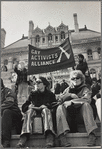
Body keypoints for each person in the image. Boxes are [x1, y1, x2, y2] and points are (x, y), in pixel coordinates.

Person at [56, 70, 98, 147]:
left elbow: (87, 99)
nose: (75, 80)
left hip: (82, 115)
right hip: (69, 116)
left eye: (77, 78)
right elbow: (60, 100)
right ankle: (62, 136)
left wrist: (71, 102)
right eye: (73, 78)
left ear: (81, 79)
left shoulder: (86, 88)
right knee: (59, 107)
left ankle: (92, 134)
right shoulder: (68, 89)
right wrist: (70, 95)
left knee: (86, 105)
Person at [16, 76, 56, 148]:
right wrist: (29, 106)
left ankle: (49, 135)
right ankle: (24, 136)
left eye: (38, 82)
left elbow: (54, 104)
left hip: (45, 112)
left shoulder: (50, 94)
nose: (36, 84)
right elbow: (24, 106)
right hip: (34, 112)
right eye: (35, 82)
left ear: (44, 84)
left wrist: (47, 106)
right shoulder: (33, 94)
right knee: (29, 111)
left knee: (46, 110)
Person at [1, 78, 22, 148]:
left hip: (15, 117)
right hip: (4, 117)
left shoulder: (9, 92)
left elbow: (9, 103)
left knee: (6, 112)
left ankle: (6, 141)